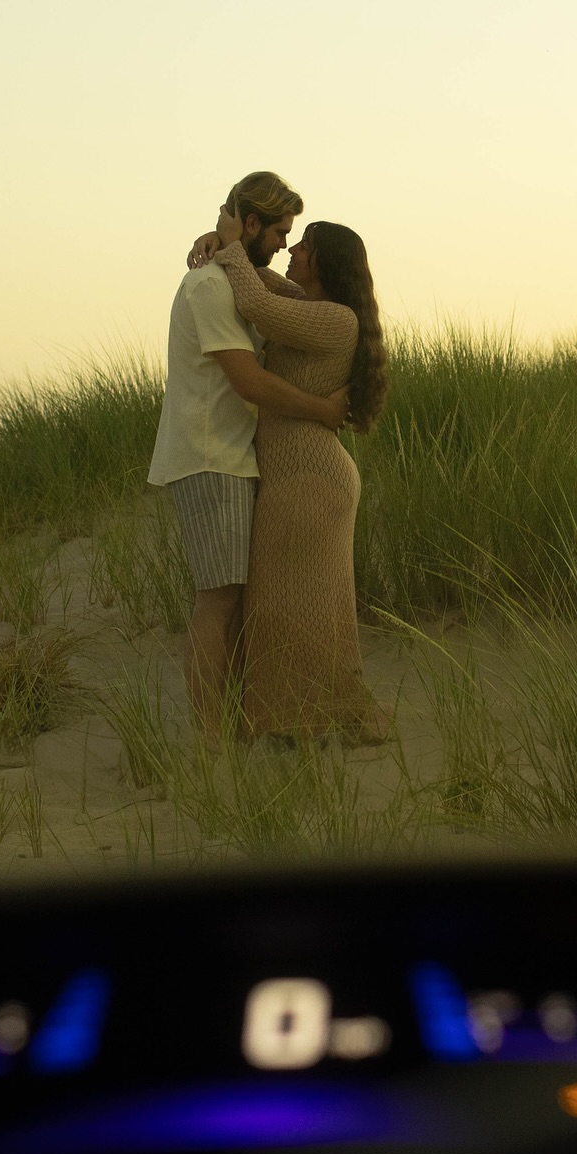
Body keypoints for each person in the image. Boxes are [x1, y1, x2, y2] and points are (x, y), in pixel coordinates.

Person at [148, 172, 346, 743]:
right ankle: (214, 744)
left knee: (231, 603)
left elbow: (288, 300)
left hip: (232, 456)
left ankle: (232, 731)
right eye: (281, 230)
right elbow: (248, 381)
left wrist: (222, 242)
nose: (286, 242)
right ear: (253, 223)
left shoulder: (236, 278)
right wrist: (321, 410)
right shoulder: (210, 287)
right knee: (217, 603)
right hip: (211, 457)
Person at [188, 212, 388, 742]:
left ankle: (297, 724)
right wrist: (220, 242)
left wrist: (231, 244)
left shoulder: (336, 320)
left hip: (308, 482)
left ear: (327, 264)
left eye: (304, 245)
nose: (293, 251)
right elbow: (263, 282)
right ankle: (296, 722)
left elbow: (253, 301)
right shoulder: (309, 307)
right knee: (286, 609)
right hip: (295, 479)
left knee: (291, 610)